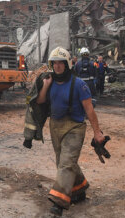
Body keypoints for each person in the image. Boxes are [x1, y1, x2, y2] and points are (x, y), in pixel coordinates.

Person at [35, 47, 105, 216]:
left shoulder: (79, 85)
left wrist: (97, 132)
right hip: (55, 126)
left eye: (61, 63)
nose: (58, 67)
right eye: (55, 63)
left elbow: (90, 111)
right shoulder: (50, 82)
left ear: (67, 65)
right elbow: (40, 101)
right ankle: (79, 190)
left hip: (75, 127)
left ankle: (59, 202)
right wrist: (45, 86)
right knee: (64, 162)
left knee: (66, 163)